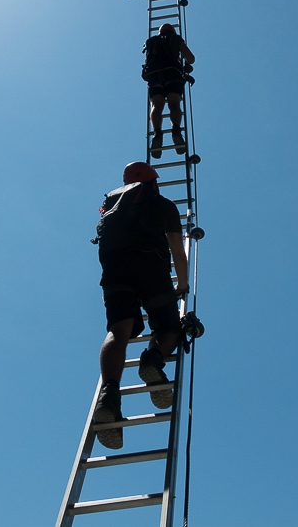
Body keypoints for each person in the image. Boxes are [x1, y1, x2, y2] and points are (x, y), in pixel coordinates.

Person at [92, 161, 189, 450]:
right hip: (150, 269)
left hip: (114, 271)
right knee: (169, 328)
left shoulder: (113, 204)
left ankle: (109, 394)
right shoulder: (163, 205)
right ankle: (152, 359)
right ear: (153, 182)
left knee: (117, 331)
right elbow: (177, 251)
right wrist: (182, 286)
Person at [141, 23, 195, 159]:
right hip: (172, 73)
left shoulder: (151, 41)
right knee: (174, 104)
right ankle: (176, 130)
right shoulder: (174, 38)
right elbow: (191, 58)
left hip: (154, 76)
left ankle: (157, 134)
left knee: (156, 106)